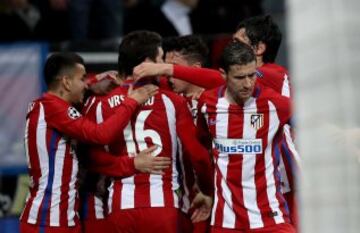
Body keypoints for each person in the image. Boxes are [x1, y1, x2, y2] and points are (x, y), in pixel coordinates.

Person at [86, 30, 214, 233]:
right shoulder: (173, 101)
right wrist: (209, 191)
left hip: (120, 209)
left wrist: (91, 83)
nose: (164, 68)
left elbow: (90, 159)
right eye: (161, 58)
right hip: (166, 210)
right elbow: (197, 155)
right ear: (147, 62)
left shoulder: (98, 103)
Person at [19, 52, 159, 233]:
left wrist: (93, 84)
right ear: (66, 82)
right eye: (82, 79)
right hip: (46, 222)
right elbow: (101, 134)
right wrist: (131, 102)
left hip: (64, 219)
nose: (86, 84)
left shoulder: (49, 107)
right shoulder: (51, 107)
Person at [197, 41, 296, 233]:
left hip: (270, 218)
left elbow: (314, 125)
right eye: (240, 77)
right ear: (223, 75)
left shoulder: (274, 103)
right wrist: (204, 189)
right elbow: (202, 144)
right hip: (225, 221)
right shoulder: (207, 104)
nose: (248, 84)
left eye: (252, 75)